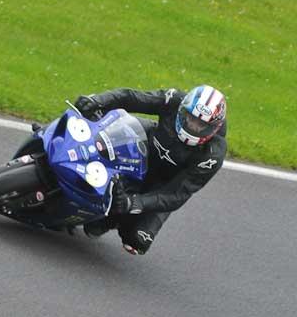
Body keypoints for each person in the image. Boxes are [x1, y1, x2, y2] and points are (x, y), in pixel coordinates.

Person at [72, 85, 227, 255]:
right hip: (147, 145)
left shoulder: (212, 155)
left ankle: (111, 220)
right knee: (96, 122)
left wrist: (134, 203)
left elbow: (177, 194)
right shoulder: (174, 100)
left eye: (201, 125)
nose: (193, 126)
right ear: (183, 109)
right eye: (190, 118)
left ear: (214, 128)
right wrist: (98, 100)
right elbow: (131, 97)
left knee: (137, 241)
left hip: (165, 184)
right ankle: (44, 136)